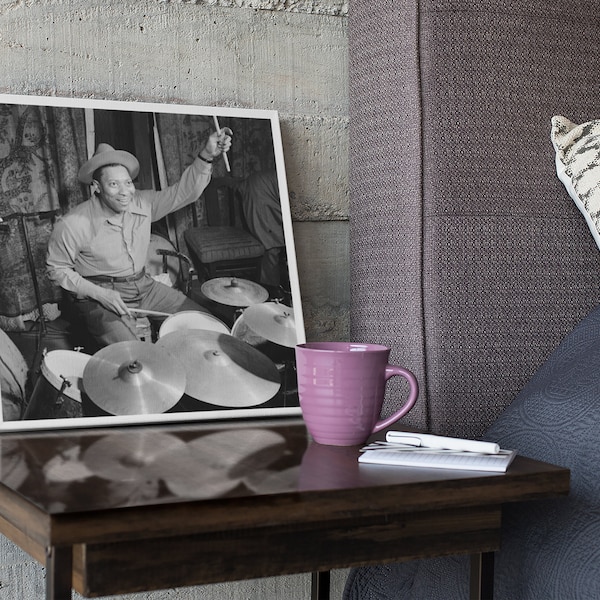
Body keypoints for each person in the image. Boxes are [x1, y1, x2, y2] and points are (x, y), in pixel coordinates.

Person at [46, 129, 232, 348]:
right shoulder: (73, 223)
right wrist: (100, 294)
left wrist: (207, 155)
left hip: (145, 286)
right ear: (96, 188)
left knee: (207, 328)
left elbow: (184, 193)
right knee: (134, 356)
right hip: (99, 296)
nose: (125, 192)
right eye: (114, 184)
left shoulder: (143, 202)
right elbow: (56, 269)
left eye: (128, 183)